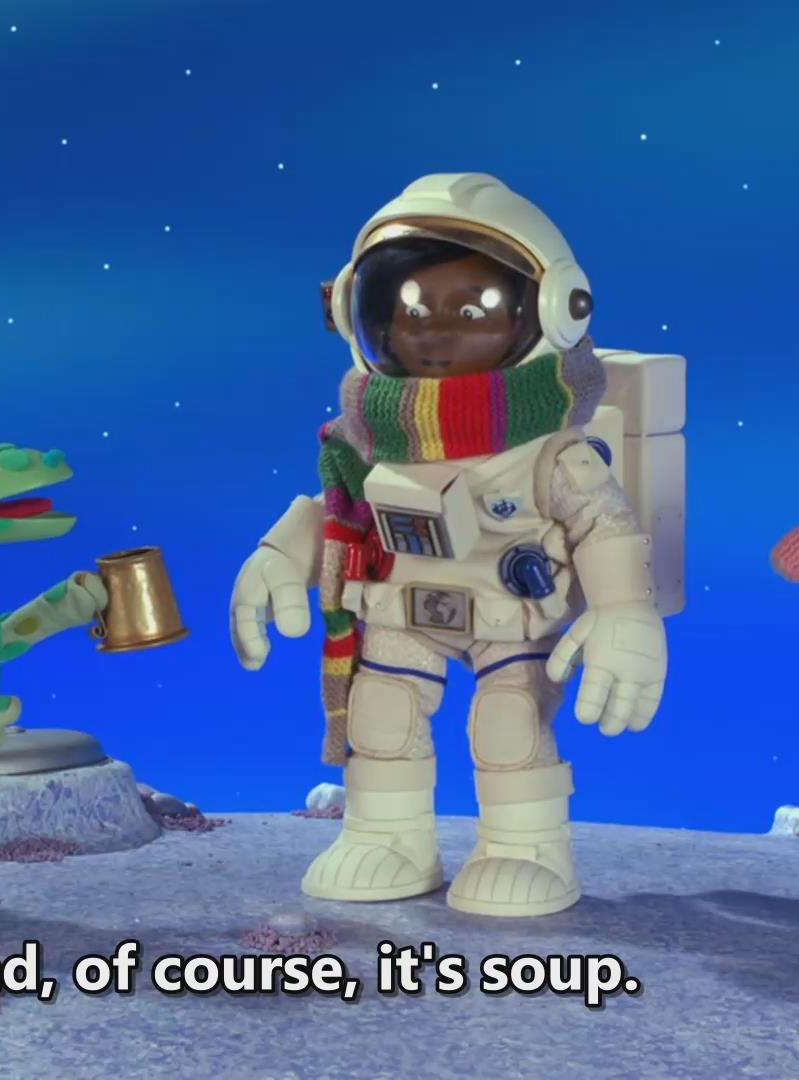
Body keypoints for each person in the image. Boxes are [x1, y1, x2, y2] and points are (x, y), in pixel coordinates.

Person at [230, 173, 671, 917]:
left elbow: (603, 525)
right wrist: (279, 555)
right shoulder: (367, 439)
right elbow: (340, 511)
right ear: (355, 310)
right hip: (401, 608)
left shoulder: (549, 451)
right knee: (381, 714)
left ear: (552, 310)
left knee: (509, 724)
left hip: (512, 619)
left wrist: (625, 609)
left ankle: (525, 849)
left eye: (472, 309)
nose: (435, 331)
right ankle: (387, 838)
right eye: (409, 310)